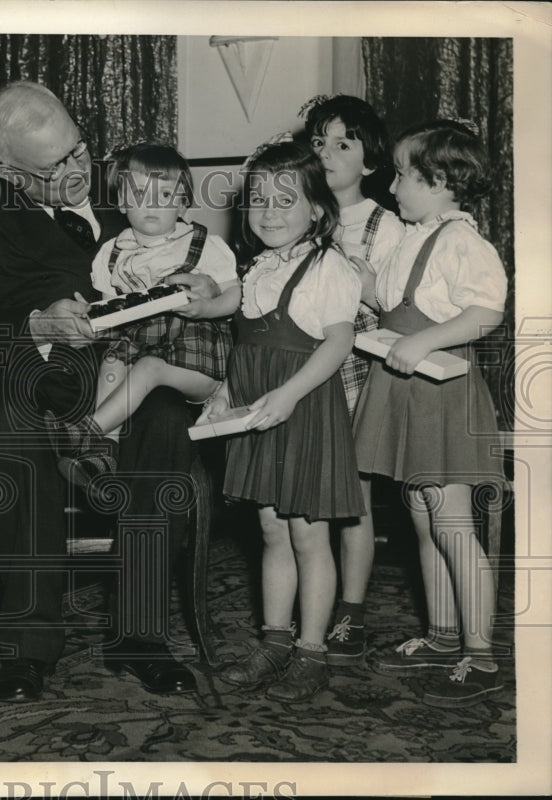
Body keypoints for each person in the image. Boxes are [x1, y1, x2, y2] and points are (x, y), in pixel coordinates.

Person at [0, 81, 221, 703]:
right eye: (55, 165)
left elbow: (189, 259)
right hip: (33, 374)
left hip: (126, 375)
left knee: (164, 415)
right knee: (13, 431)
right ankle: (28, 646)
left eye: (80, 151)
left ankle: (141, 635)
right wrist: (37, 321)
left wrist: (203, 289)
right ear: (10, 174)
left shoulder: (129, 202)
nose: (77, 170)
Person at [199, 140, 363, 703]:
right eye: (258, 199)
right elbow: (246, 348)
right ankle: (274, 640)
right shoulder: (260, 267)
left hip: (302, 409)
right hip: (257, 411)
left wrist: (291, 394)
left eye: (284, 199)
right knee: (271, 530)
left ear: (317, 208)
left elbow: (339, 341)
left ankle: (311, 651)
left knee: (308, 536)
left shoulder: (329, 266)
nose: (268, 211)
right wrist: (224, 393)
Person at [353, 120, 507, 708]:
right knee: (422, 517)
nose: (393, 188)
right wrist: (365, 284)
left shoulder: (465, 243)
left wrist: (424, 342)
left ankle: (481, 652)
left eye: (402, 176)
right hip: (404, 388)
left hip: (440, 391)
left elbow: (485, 311)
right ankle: (443, 636)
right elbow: (395, 304)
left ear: (439, 181)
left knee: (452, 525)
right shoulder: (416, 235)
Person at [46, 142, 241, 486]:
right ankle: (102, 453)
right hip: (139, 348)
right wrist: (91, 316)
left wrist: (206, 307)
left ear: (183, 202)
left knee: (148, 368)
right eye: (139, 193)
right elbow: (112, 314)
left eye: (165, 195)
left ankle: (83, 434)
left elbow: (235, 295)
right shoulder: (111, 252)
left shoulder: (203, 244)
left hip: (197, 362)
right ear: (121, 200)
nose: (152, 203)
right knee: (111, 362)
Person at [303, 95, 406, 665]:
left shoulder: (385, 225)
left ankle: (351, 608)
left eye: (342, 143)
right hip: (304, 368)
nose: (326, 153)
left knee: (354, 499)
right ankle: (308, 597)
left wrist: (369, 289)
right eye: (318, 142)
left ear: (370, 162)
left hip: (359, 372)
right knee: (308, 494)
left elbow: (403, 309)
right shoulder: (300, 213)